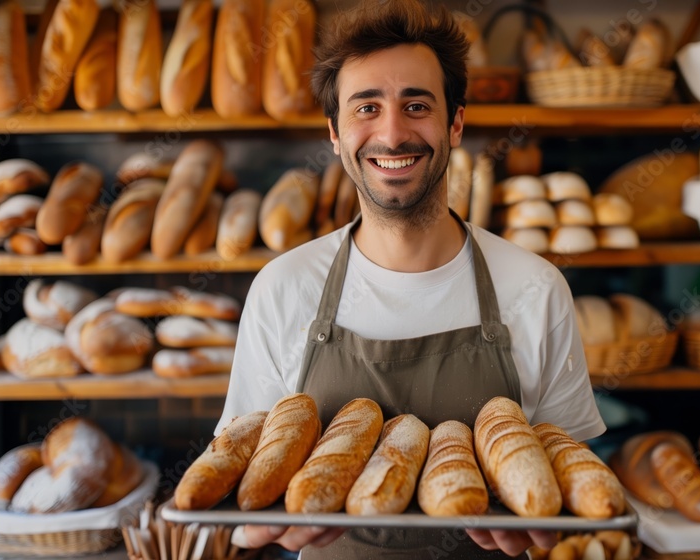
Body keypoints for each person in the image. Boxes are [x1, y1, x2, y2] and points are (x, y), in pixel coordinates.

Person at [220, 0, 605, 557]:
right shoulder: (283, 288)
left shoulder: (537, 289)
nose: (394, 133)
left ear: (456, 122)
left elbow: (569, 486)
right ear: (334, 132)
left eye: (417, 105)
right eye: (366, 107)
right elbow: (246, 474)